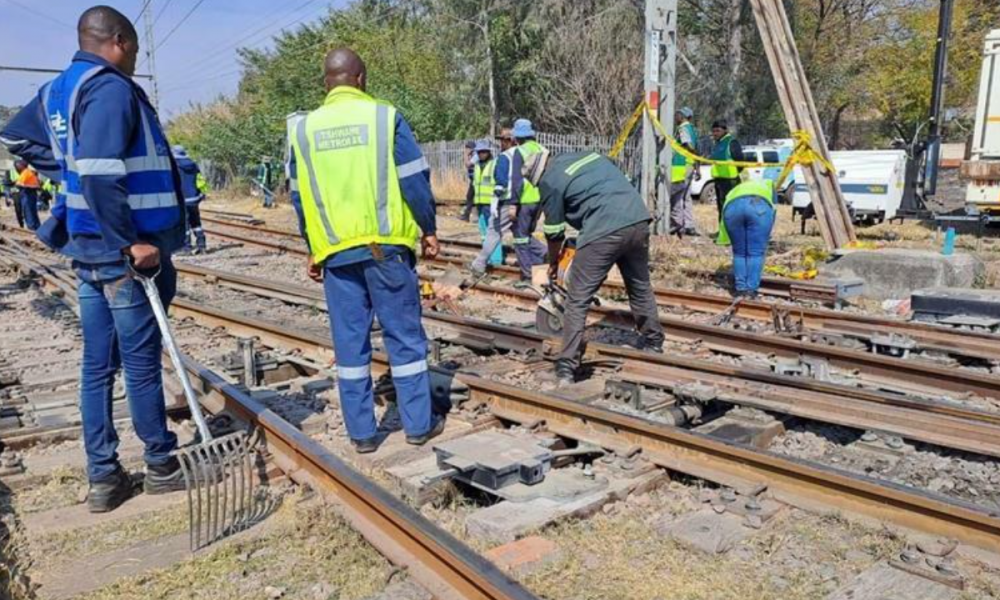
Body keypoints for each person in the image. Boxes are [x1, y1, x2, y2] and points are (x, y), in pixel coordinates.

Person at [1, 5, 188, 513]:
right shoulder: (107, 87)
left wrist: (69, 172)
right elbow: (103, 173)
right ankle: (160, 464)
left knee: (96, 366)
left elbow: (17, 138)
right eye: (135, 50)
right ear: (120, 41)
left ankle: (103, 477)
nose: (135, 59)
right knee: (142, 363)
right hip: (125, 251)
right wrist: (132, 241)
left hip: (88, 245)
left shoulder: (58, 89)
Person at [288, 47, 443, 454]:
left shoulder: (302, 130)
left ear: (327, 83)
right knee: (405, 340)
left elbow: (300, 198)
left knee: (350, 346)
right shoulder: (383, 117)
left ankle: (361, 435)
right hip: (385, 248)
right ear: (361, 78)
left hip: (336, 255)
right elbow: (413, 179)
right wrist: (428, 228)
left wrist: (313, 247)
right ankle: (417, 426)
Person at [530, 150, 665, 385]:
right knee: (640, 286)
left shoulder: (549, 180)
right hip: (638, 220)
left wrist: (553, 262)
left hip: (604, 228)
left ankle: (566, 367)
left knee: (578, 297)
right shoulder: (586, 157)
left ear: (536, 175)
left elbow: (553, 232)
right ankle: (654, 342)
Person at [717, 175, 776, 299]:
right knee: (755, 253)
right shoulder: (769, 184)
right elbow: (773, 209)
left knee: (739, 253)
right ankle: (751, 290)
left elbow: (724, 205)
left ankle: (740, 289)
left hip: (732, 209)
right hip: (758, 206)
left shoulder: (737, 188)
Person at [471, 139, 503, 267]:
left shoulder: (494, 164)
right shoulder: (477, 165)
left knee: (493, 232)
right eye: (479, 152)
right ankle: (487, 257)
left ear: (488, 152)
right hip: (479, 203)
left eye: (484, 151)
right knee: (484, 232)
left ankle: (496, 260)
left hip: (491, 204)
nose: (481, 154)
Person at [172, 145, 207, 254]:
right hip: (194, 198)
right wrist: (201, 194)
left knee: (184, 224)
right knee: (196, 222)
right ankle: (201, 245)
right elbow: (200, 180)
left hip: (182, 198)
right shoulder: (193, 164)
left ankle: (186, 247)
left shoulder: (174, 165)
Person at [670, 107, 699, 236]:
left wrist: (690, 152)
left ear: (684, 116)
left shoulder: (682, 128)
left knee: (677, 196)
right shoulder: (694, 130)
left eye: (678, 114)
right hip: (690, 164)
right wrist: (697, 166)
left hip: (681, 165)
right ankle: (689, 225)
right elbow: (697, 148)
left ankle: (677, 225)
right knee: (687, 197)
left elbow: (687, 144)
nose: (676, 117)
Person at [709, 120, 744, 228]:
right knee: (721, 207)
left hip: (730, 181)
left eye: (718, 131)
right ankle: (723, 232)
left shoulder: (731, 142)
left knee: (731, 207)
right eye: (713, 131)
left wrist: (735, 173)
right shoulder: (717, 144)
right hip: (719, 180)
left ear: (725, 130)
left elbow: (740, 161)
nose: (715, 133)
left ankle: (733, 232)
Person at [14, 160, 41, 231]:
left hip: (27, 194)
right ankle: (37, 228)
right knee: (32, 212)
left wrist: (23, 185)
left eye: (17, 165)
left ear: (22, 165)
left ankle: (32, 229)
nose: (16, 167)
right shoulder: (28, 172)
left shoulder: (26, 172)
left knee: (28, 212)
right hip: (30, 194)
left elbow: (19, 184)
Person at [459, 140, 476, 222]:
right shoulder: (472, 155)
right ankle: (466, 216)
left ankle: (466, 216)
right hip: (474, 180)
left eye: (467, 148)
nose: (465, 150)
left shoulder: (475, 155)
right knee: (470, 197)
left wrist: (465, 155)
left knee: (470, 197)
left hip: (477, 180)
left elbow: (468, 165)